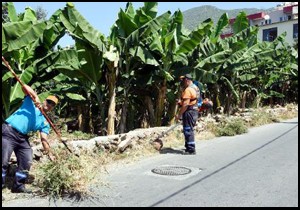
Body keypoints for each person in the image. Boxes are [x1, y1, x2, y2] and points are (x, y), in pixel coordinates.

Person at [2, 84, 59, 196]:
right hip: (9, 132)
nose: (49, 104)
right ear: (45, 101)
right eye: (48, 101)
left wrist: (49, 153)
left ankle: (19, 186)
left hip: (22, 137)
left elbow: (44, 139)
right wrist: (34, 97)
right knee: (3, 161)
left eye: (52, 104)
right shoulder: (32, 103)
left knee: (26, 159)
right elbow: (24, 87)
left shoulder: (45, 122)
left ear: (53, 107)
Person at [175, 74, 198, 155]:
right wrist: (181, 102)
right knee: (189, 129)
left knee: (188, 130)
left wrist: (179, 115)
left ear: (187, 80)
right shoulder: (195, 87)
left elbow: (185, 105)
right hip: (194, 111)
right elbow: (193, 100)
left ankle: (191, 149)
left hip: (189, 112)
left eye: (183, 80)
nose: (182, 82)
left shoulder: (188, 90)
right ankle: (188, 147)